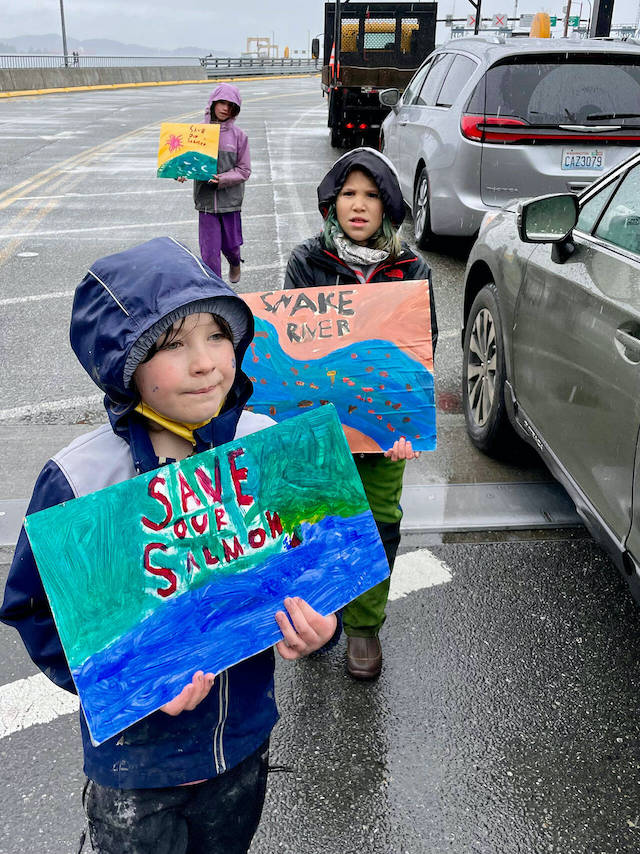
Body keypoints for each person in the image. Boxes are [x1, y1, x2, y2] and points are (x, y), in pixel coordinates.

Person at [0, 237, 338, 854]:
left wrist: (324, 625)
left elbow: (311, 566)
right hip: (136, 765)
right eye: (172, 345)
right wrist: (135, 676)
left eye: (217, 336)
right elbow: (34, 610)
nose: (206, 362)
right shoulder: (82, 481)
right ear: (123, 364)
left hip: (243, 741)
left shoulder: (265, 446)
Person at [284, 147, 438, 681]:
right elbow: (287, 350)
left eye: (371, 195)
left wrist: (408, 425)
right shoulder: (307, 261)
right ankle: (318, 614)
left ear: (389, 206)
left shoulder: (412, 268)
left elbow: (422, 351)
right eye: (348, 193)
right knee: (318, 523)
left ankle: (365, 627)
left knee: (378, 524)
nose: (358, 204)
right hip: (321, 432)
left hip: (383, 435)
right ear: (332, 202)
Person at [177, 83, 250, 284]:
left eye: (231, 105)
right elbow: (186, 163)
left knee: (231, 246)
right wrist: (180, 173)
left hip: (230, 202)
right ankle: (216, 292)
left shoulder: (239, 136)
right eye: (222, 103)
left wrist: (222, 179)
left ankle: (235, 263)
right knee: (209, 254)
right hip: (206, 203)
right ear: (213, 103)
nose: (225, 108)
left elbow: (244, 170)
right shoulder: (197, 133)